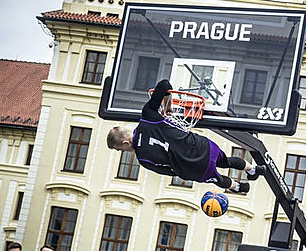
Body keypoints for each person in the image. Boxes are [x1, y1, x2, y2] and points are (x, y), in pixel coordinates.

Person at [107, 79, 265, 194]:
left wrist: (184, 171)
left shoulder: (143, 159)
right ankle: (253, 169)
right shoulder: (148, 117)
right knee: (226, 161)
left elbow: (169, 172)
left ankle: (239, 187)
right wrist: (168, 105)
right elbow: (164, 85)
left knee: (218, 178)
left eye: (120, 149)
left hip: (195, 167)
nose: (122, 152)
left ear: (125, 142)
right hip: (201, 145)